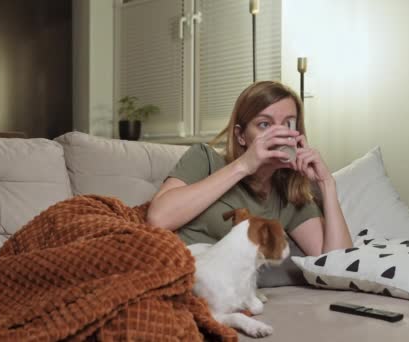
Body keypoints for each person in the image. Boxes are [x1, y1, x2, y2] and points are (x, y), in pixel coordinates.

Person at [147, 81, 352, 285]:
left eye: (288, 123)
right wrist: (244, 165)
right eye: (265, 124)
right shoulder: (205, 159)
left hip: (232, 295)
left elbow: (337, 268)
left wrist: (327, 184)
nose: (278, 134)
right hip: (182, 279)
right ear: (241, 135)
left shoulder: (290, 192)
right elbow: (159, 218)